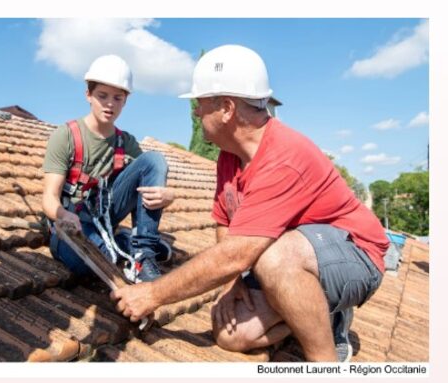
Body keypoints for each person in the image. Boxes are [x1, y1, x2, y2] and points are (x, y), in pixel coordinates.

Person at [111, 45, 389, 362]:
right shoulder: (229, 157)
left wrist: (151, 294)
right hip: (293, 253)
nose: (197, 113)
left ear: (227, 108)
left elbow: (238, 254)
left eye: (198, 105)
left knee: (275, 258)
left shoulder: (283, 157)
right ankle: (324, 312)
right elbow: (224, 222)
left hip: (356, 253)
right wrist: (233, 287)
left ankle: (326, 363)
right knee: (232, 335)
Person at [42, 54, 175, 283]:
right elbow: (48, 197)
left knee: (154, 160)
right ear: (88, 95)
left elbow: (149, 177)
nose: (110, 104)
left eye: (118, 97)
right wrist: (63, 215)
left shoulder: (127, 143)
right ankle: (123, 243)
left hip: (104, 215)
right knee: (96, 263)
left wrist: (169, 196)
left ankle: (143, 254)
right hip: (72, 224)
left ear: (125, 101)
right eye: (102, 96)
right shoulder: (66, 136)